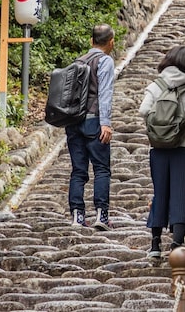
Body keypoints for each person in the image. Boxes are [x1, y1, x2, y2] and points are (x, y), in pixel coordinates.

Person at [140, 45, 185, 257]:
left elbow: (143, 110)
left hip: (159, 148)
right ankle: (176, 243)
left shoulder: (157, 84)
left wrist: (161, 125)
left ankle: (154, 244)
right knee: (183, 195)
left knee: (160, 192)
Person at [66, 24, 115, 230]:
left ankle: (77, 216)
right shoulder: (105, 61)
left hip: (73, 121)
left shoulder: (78, 61)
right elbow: (105, 93)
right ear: (111, 42)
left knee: (78, 170)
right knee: (101, 168)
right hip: (94, 120)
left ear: (91, 41)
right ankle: (101, 216)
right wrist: (106, 123)